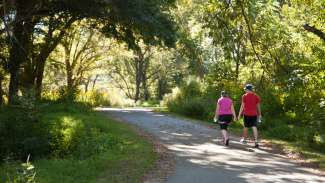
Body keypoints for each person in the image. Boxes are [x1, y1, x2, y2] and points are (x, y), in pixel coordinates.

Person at [238, 84, 261, 148]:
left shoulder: (244, 96)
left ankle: (244, 139)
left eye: (245, 89)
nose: (245, 90)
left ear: (248, 89)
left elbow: (242, 106)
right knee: (254, 126)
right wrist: (260, 114)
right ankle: (256, 141)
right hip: (254, 114)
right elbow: (258, 106)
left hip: (246, 114)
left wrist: (239, 115)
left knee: (246, 126)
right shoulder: (256, 96)